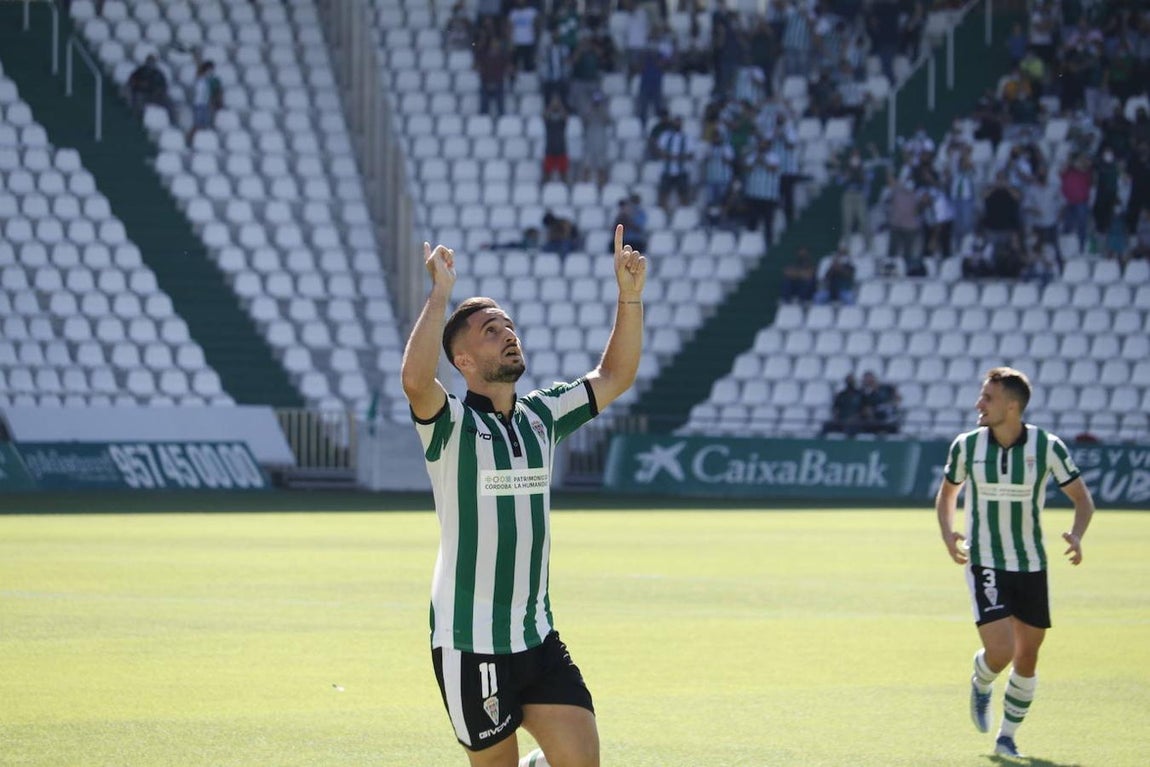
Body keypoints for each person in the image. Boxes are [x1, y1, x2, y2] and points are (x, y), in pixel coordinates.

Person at [400, 225, 647, 767]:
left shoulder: (543, 415)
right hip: (470, 641)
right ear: (463, 361)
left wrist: (629, 297)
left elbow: (616, 374)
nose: (509, 334)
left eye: (509, 326)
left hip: (536, 634)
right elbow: (416, 382)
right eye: (491, 331)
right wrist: (440, 292)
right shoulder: (451, 425)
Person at [935, 367, 1096, 759]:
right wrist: (948, 533)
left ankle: (1007, 737)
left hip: (1031, 564)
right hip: (985, 561)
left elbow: (1082, 500)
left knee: (1027, 657)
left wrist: (1077, 534)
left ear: (1012, 406)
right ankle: (982, 677)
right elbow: (947, 495)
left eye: (987, 398)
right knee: (1002, 651)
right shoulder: (966, 446)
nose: (979, 404)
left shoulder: (1048, 447)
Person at [125, 54, 175, 122]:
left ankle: (171, 120)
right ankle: (139, 119)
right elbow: (131, 83)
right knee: (138, 99)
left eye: (152, 62)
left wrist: (160, 93)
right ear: (146, 62)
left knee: (169, 102)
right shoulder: (139, 72)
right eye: (149, 62)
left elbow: (164, 86)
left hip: (156, 96)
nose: (151, 64)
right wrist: (139, 86)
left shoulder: (159, 74)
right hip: (142, 94)